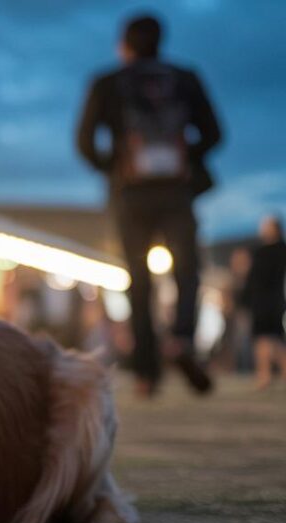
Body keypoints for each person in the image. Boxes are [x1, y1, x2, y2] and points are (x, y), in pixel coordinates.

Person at [76, 14, 222, 398]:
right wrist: (186, 156)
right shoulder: (185, 78)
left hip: (130, 195)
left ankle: (146, 372)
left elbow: (84, 141)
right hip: (177, 192)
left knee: (138, 280)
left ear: (125, 44)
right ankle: (181, 340)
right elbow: (215, 133)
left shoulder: (108, 82)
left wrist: (114, 165)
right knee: (187, 271)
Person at [241, 216, 286, 391]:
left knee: (264, 339)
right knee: (269, 339)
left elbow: (253, 279)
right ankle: (267, 374)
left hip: (268, 301)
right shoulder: (269, 250)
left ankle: (265, 375)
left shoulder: (266, 252)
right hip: (270, 301)